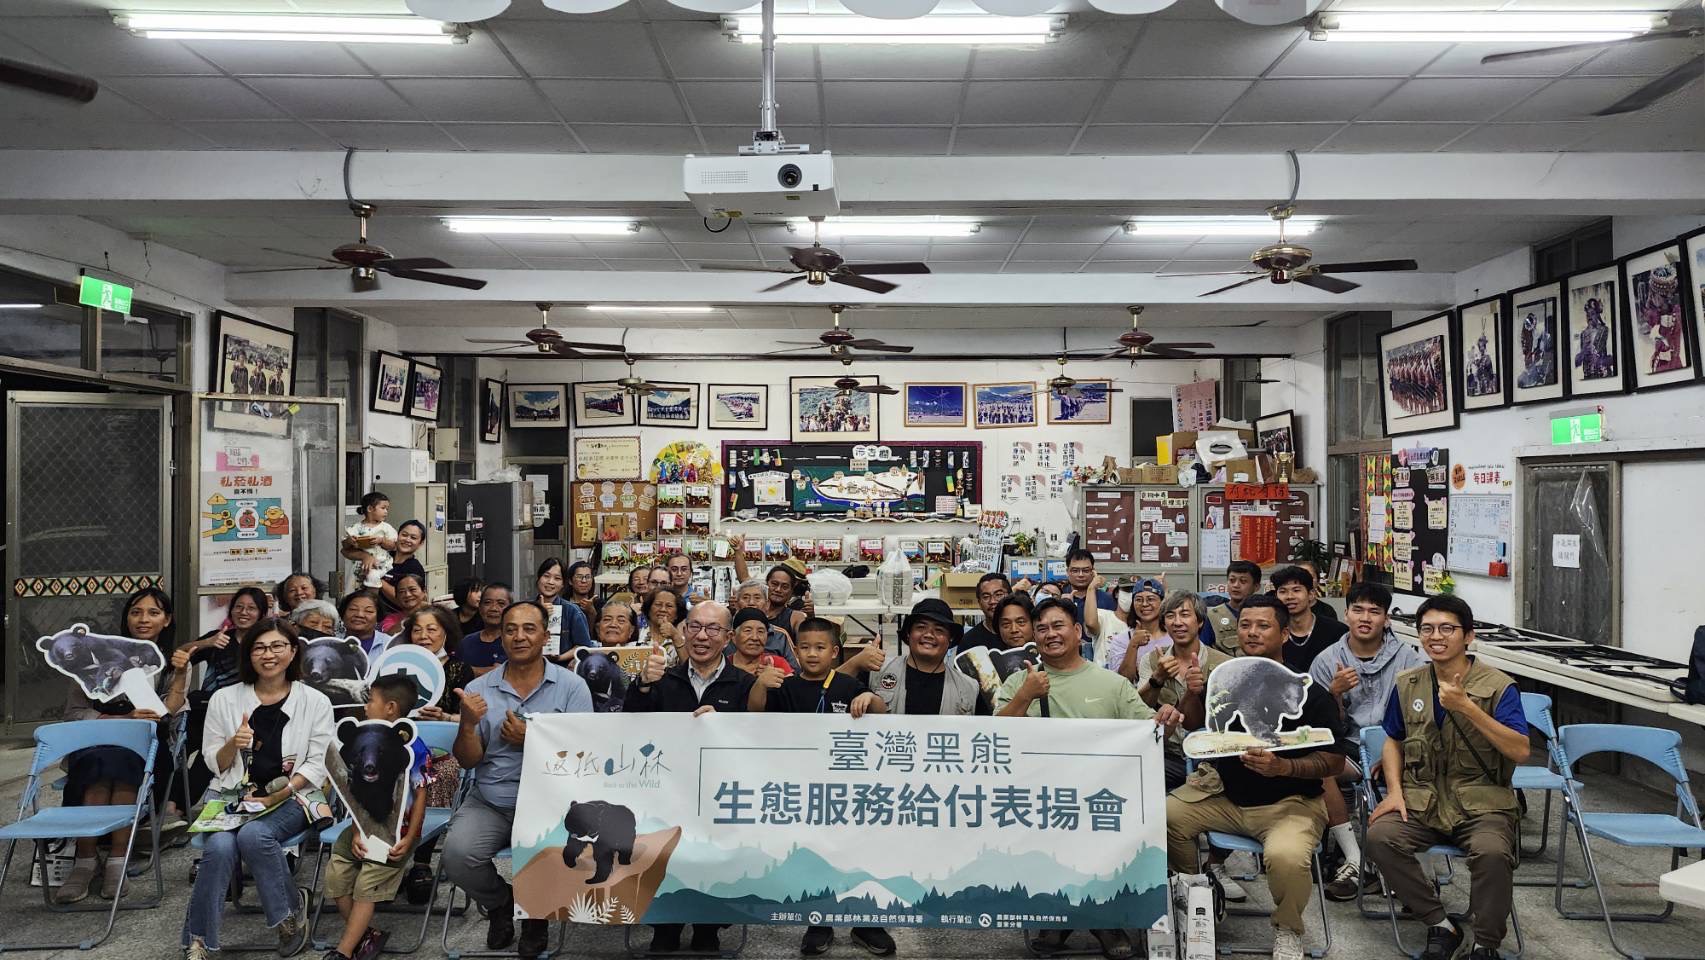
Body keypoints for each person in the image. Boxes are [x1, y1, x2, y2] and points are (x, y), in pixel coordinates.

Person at [1165, 595, 1346, 960]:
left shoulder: (1312, 693)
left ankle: (1288, 930)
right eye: (1245, 624)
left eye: (1263, 625)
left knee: (1287, 856)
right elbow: (1194, 725)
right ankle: (1200, 892)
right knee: (1165, 816)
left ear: (1284, 634)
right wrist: (1194, 694)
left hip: (1290, 804)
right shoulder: (1228, 678)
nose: (1251, 632)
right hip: (1225, 797)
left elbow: (1334, 762)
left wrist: (1285, 767)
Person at [1366, 595, 1529, 960]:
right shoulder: (1408, 683)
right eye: (1427, 629)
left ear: (1468, 636)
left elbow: (1519, 750)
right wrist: (1394, 792)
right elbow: (1393, 740)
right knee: (1380, 836)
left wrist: (1467, 707)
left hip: (1482, 803)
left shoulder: (1499, 686)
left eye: (1446, 628)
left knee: (1492, 852)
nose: (1435, 636)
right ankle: (1440, 924)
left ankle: (1486, 944)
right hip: (1422, 800)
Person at [996, 597, 1152, 960]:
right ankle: (1058, 917)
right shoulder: (1020, 681)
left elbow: (1147, 730)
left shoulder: (1112, 684)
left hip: (1100, 796)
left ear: (1078, 631)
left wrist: (1166, 720)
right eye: (1042, 629)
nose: (1050, 634)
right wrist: (1025, 696)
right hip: (1038, 797)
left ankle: (1104, 920)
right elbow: (995, 736)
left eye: (1058, 626)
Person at [444, 601, 593, 959]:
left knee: (552, 852)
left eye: (529, 628)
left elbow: (586, 754)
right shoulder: (480, 688)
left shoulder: (572, 687)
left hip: (553, 801)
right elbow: (467, 759)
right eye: (510, 629)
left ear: (545, 635)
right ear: (502, 636)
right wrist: (467, 724)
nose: (519, 636)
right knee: (457, 856)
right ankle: (501, 903)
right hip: (492, 799)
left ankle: (535, 916)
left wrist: (533, 740)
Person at [184, 619, 335, 960]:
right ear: (248, 655)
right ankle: (199, 939)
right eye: (259, 648)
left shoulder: (315, 701)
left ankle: (288, 916)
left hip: (295, 794)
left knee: (254, 835)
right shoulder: (224, 699)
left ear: (293, 652)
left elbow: (317, 764)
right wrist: (232, 745)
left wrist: (277, 796)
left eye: (277, 646)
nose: (269, 655)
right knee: (220, 845)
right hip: (232, 795)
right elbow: (213, 762)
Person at [747, 618, 887, 957]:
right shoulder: (785, 686)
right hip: (804, 790)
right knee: (814, 858)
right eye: (805, 647)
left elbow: (883, 714)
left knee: (857, 855)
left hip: (848, 791)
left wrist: (870, 697)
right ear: (796, 650)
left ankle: (867, 924)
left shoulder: (848, 685)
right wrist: (761, 685)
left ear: (835, 652)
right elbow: (754, 714)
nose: (812, 654)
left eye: (820, 647)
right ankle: (818, 922)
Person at [625, 601, 753, 954]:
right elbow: (630, 727)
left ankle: (707, 927)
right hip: (667, 793)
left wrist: (726, 726)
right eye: (694, 626)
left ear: (728, 637)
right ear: (684, 631)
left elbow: (758, 741)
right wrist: (642, 685)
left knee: (715, 858)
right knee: (663, 856)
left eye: (712, 629)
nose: (702, 636)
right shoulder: (663, 679)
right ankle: (664, 926)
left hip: (720, 796)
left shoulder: (744, 684)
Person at [54, 587, 191, 904]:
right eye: (136, 612)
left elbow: (169, 712)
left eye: (153, 613)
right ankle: (86, 861)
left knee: (125, 764)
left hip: (146, 744)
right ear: (126, 618)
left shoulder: (173, 662)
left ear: (167, 620)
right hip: (96, 738)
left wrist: (182, 673)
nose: (144, 619)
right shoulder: (91, 657)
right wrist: (118, 718)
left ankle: (115, 859)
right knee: (98, 765)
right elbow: (73, 713)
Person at [1309, 581, 1425, 901]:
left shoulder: (1408, 658)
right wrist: (1334, 695)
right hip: (1349, 744)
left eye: (1374, 611)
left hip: (1397, 745)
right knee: (1320, 768)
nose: (1365, 617)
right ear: (1346, 613)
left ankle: (1402, 865)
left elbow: (1420, 715)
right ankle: (1354, 858)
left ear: (1386, 619)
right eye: (1357, 609)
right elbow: (1320, 726)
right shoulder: (1327, 660)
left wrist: (1393, 752)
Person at [320, 674, 430, 960]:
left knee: (366, 885)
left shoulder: (414, 748)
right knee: (336, 875)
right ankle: (367, 935)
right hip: (362, 824)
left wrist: (409, 837)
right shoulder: (359, 740)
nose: (365, 706)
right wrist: (357, 830)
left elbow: (421, 795)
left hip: (396, 831)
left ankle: (344, 951)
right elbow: (354, 792)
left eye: (370, 701)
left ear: (390, 707)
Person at [1137, 591, 1231, 791]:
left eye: (1185, 614)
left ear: (1200, 622)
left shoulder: (1224, 665)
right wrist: (1158, 678)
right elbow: (1139, 710)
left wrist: (1196, 691)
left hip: (1210, 758)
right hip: (1166, 755)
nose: (1177, 622)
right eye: (1170, 616)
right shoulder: (1152, 660)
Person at [873, 597, 987, 717]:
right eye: (921, 627)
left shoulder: (969, 688)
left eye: (939, 630)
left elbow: (989, 725)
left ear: (950, 638)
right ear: (908, 633)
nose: (929, 635)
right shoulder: (877, 671)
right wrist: (858, 664)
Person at [1270, 565, 1347, 673]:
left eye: (1296, 590)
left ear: (1311, 594)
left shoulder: (1337, 631)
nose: (1289, 596)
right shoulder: (1273, 633)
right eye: (1283, 592)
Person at [397, 606, 469, 722]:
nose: (423, 636)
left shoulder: (460, 669)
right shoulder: (399, 666)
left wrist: (445, 717)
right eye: (417, 630)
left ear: (446, 633)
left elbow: (470, 719)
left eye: (431, 630)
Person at [731, 579, 799, 670]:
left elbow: (795, 671)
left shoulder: (780, 635)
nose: (751, 603)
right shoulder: (725, 634)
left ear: (767, 604)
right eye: (745, 598)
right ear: (736, 604)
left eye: (757, 598)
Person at [532, 558, 592, 659]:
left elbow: (583, 646)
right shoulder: (525, 609)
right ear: (538, 578)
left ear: (563, 584)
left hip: (561, 666)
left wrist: (560, 658)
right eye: (546, 576)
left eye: (557, 578)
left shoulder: (573, 611)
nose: (550, 582)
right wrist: (537, 614)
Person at [1111, 579, 1168, 682]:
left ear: (1162, 602)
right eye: (1138, 600)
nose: (1144, 604)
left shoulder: (1174, 636)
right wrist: (1133, 645)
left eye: (1150, 599)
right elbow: (1121, 681)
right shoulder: (1121, 640)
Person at [342, 492, 397, 590]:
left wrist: (382, 541)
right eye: (383, 508)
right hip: (360, 564)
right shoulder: (356, 527)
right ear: (370, 509)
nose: (386, 512)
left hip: (380, 564)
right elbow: (345, 546)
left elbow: (393, 546)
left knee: (373, 576)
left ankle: (373, 594)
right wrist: (350, 541)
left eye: (387, 509)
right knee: (352, 587)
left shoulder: (386, 527)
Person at [1205, 561, 1261, 654]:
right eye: (1232, 580)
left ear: (1256, 586)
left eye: (1243, 581)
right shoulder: (1212, 616)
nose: (1236, 585)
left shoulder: (1264, 614)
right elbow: (1203, 650)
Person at [458, 582, 511, 677]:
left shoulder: (514, 641)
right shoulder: (466, 642)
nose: (494, 608)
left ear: (510, 608)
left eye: (501, 604)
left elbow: (500, 673)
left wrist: (466, 671)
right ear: (480, 607)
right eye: (487, 603)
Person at [728, 607, 793, 677]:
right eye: (748, 631)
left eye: (760, 631)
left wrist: (776, 678)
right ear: (733, 636)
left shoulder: (777, 664)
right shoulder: (724, 665)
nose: (755, 637)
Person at [379, 521, 428, 610]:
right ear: (397, 536)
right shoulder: (383, 556)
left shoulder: (414, 568)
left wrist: (378, 581)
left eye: (413, 537)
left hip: (395, 616)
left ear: (420, 543)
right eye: (404, 535)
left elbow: (407, 600)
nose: (407, 540)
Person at [958, 573, 1011, 650]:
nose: (992, 601)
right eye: (986, 597)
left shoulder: (1021, 633)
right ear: (979, 603)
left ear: (1010, 596)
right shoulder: (969, 642)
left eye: (998, 595)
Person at [638, 589, 684, 665]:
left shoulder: (684, 641)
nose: (663, 609)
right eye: (658, 604)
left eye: (669, 606)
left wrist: (675, 637)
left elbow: (689, 667)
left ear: (677, 614)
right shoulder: (636, 635)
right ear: (649, 610)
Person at [1287, 559, 1340, 624]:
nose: (1305, 581)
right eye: (1300, 577)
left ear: (1318, 581)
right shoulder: (1286, 609)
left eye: (1310, 577)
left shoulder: (1327, 611)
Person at [340, 590, 390, 658]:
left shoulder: (389, 644)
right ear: (343, 614)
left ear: (378, 617)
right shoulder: (331, 642)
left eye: (368, 611)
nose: (359, 615)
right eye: (353, 609)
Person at [564, 561, 600, 626]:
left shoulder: (599, 604)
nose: (584, 581)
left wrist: (592, 612)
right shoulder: (562, 603)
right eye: (579, 577)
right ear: (570, 581)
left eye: (588, 577)